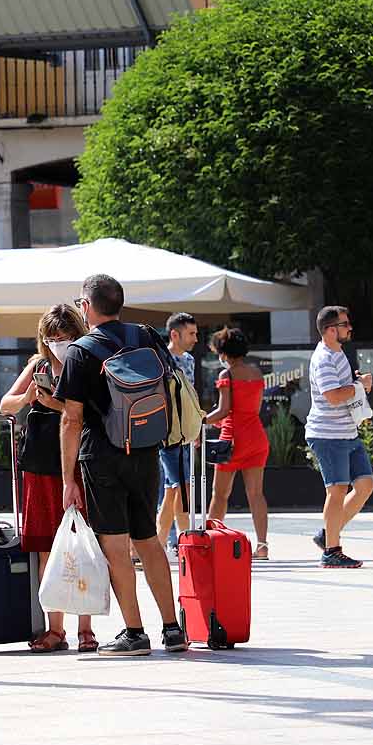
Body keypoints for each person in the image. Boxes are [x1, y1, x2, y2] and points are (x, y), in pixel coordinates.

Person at [58, 273, 187, 656]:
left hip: (102, 456)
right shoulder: (146, 336)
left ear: (86, 306)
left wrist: (67, 479)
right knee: (149, 540)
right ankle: (173, 629)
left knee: (115, 546)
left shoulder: (81, 351)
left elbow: (71, 419)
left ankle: (134, 633)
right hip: (146, 450)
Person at [0, 303, 96, 653]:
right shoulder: (38, 365)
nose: (57, 344)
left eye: (64, 337)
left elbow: (92, 414)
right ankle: (56, 629)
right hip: (39, 466)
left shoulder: (85, 363)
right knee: (45, 549)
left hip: (76, 466)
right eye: (52, 338)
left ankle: (86, 628)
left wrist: (56, 405)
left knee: (81, 547)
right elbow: (5, 404)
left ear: (76, 335)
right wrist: (28, 397)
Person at [305, 306, 373, 568]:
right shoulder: (323, 358)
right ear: (331, 330)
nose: (350, 328)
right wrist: (359, 386)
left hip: (347, 432)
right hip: (327, 434)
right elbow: (333, 396)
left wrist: (357, 384)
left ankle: (327, 535)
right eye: (345, 324)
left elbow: (342, 389)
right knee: (336, 491)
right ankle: (331, 551)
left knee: (365, 485)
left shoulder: (338, 352)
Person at [202, 326, 270, 559]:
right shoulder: (256, 373)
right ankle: (262, 545)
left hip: (231, 441)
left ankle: (211, 541)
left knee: (220, 494)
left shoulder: (226, 375)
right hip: (256, 437)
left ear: (224, 352)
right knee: (256, 494)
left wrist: (201, 421)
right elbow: (252, 409)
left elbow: (224, 410)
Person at [155, 311, 198, 556]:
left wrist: (195, 428)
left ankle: (161, 543)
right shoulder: (162, 360)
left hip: (185, 434)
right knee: (181, 487)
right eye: (191, 333)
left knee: (173, 489)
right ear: (174, 334)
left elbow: (191, 396)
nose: (195, 338)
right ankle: (184, 541)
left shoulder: (189, 360)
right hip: (168, 434)